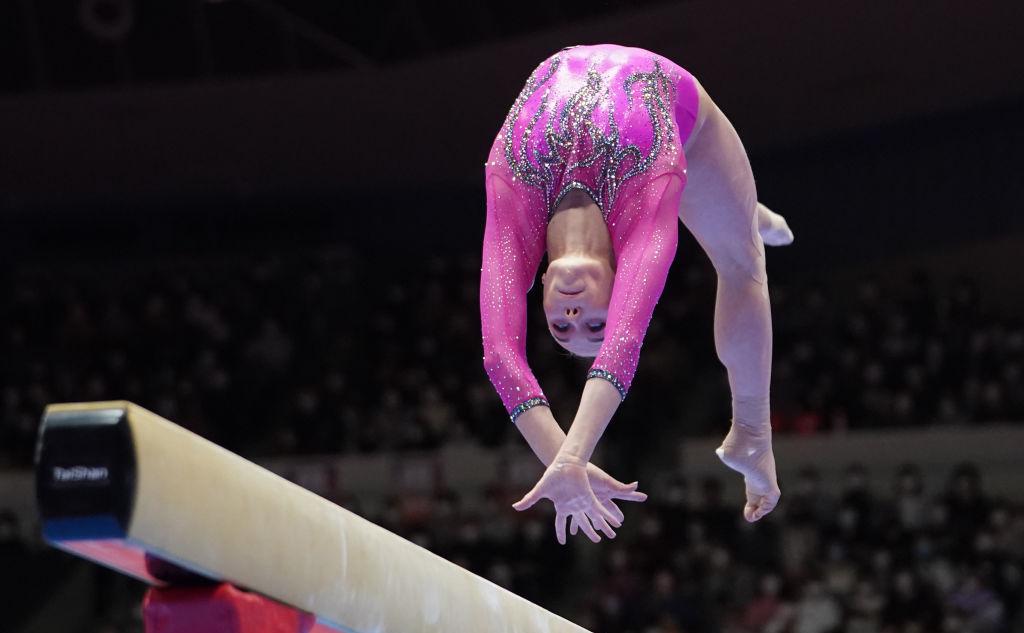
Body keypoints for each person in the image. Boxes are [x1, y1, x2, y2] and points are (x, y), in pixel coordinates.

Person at [480, 44, 792, 544]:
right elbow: (623, 346)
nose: (574, 313)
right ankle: (753, 435)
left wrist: (564, 458)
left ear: (538, 290)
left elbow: (499, 355)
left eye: (561, 325)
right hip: (673, 111)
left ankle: (745, 211)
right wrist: (572, 457)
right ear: (621, 280)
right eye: (592, 324)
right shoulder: (645, 223)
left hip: (629, 143)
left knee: (732, 219)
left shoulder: (512, 191)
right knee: (743, 265)